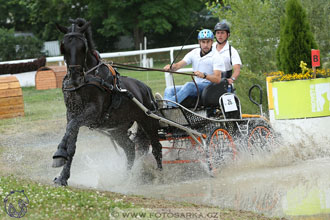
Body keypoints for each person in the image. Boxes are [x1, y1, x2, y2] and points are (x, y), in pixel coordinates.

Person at [156, 29, 225, 107]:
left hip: (209, 86)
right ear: (199, 42)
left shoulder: (216, 56)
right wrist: (171, 67)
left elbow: (217, 79)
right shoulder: (194, 53)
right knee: (169, 89)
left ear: (212, 42)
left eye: (208, 42)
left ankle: (167, 105)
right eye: (203, 42)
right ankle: (168, 111)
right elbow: (178, 65)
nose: (206, 45)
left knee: (189, 85)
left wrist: (204, 75)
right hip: (196, 86)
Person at [213, 20, 242, 92]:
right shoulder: (210, 47)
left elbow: (237, 69)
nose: (220, 35)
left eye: (222, 33)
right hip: (210, 83)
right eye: (218, 33)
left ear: (228, 34)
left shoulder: (232, 51)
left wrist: (232, 79)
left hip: (225, 85)